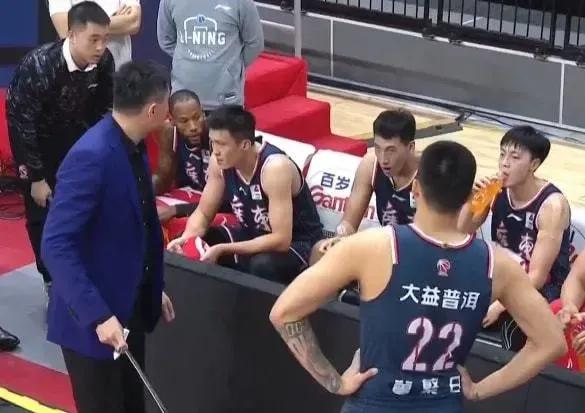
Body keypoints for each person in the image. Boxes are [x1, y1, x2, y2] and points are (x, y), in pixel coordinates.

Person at [270, 141, 565, 412]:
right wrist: (478, 390)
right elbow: (551, 342)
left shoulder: (373, 246)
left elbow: (284, 312)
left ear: (415, 189)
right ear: (468, 196)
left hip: (375, 402)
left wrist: (335, 382)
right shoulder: (496, 264)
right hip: (442, 403)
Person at [41, 61, 175, 413]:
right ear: (153, 110)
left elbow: (136, 221)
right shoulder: (92, 156)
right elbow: (56, 245)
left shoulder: (134, 146)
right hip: (93, 322)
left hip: (129, 309)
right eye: (168, 103)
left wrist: (150, 282)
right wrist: (98, 315)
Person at [7, 1, 114, 295]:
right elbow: (20, 122)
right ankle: (52, 281)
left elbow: (104, 111)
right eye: (94, 39)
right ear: (72, 35)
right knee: (42, 216)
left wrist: (98, 157)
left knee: (86, 209)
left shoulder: (105, 62)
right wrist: (36, 177)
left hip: (78, 146)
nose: (101, 47)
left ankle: (86, 272)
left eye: (105, 39)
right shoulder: (38, 65)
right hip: (38, 148)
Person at [167, 106, 323, 283]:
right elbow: (203, 213)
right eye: (212, 142)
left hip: (298, 243)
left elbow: (281, 239)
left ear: (245, 145)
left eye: (222, 144)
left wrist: (224, 248)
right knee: (192, 241)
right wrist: (186, 239)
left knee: (262, 264)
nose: (215, 151)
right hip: (252, 234)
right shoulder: (218, 162)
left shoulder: (274, 169)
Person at [458, 126, 571, 351]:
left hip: (542, 288)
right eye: (502, 154)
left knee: (511, 329)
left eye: (514, 157)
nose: (504, 163)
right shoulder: (496, 189)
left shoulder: (552, 206)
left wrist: (499, 305)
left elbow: (538, 276)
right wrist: (473, 200)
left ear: (534, 165)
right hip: (504, 275)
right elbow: (462, 231)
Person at [310, 109, 418, 264]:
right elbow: (348, 224)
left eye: (391, 150)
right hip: (385, 250)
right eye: (378, 148)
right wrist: (340, 238)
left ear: (410, 147)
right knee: (320, 250)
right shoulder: (371, 165)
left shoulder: (428, 177)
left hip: (417, 255)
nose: (383, 159)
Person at [157, 0, 264, 111]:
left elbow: (255, 44)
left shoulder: (242, 2)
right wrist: (185, 60)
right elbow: (166, 40)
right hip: (183, 100)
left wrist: (231, 68)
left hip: (226, 102)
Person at [153, 89, 212, 222]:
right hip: (190, 194)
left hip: (216, 202)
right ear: (171, 120)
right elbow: (163, 179)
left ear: (203, 112)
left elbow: (225, 198)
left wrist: (176, 211)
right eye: (184, 121)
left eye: (197, 117)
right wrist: (138, 195)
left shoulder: (215, 133)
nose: (193, 127)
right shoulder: (169, 133)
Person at [49, 0, 142, 69]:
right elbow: (65, 29)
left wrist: (86, 26)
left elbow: (133, 23)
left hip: (119, 72)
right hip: (77, 75)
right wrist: (117, 21)